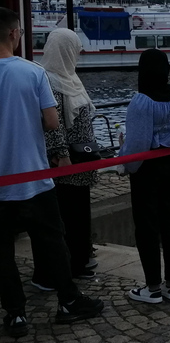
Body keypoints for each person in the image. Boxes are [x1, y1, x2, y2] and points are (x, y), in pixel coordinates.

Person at [0, 8, 103, 338]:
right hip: (33, 176)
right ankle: (68, 300)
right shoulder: (32, 74)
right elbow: (52, 122)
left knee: (2, 251)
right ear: (15, 34)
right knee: (52, 240)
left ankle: (15, 314)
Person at [119, 49, 170, 304]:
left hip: (148, 169)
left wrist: (125, 164)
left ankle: (152, 287)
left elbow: (138, 145)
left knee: (147, 226)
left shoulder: (141, 100)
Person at [35, 29, 100, 286]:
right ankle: (69, 266)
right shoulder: (49, 81)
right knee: (67, 216)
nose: (78, 56)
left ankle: (80, 259)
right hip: (66, 164)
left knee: (79, 213)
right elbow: (54, 124)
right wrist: (61, 155)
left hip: (82, 161)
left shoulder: (70, 77)